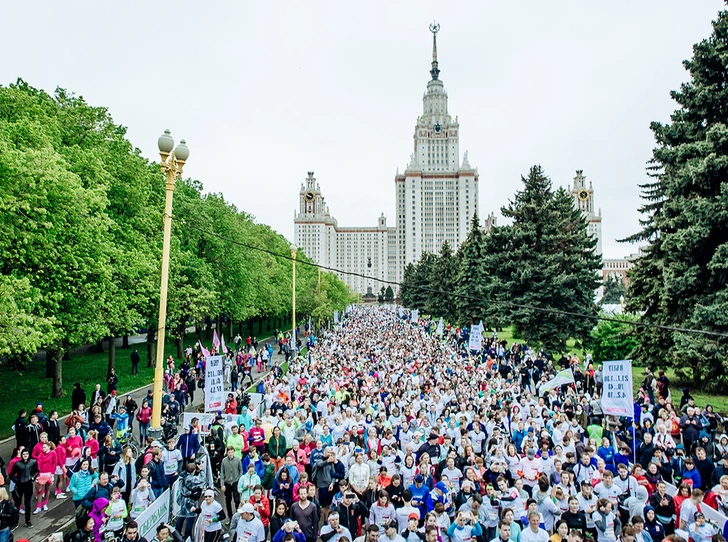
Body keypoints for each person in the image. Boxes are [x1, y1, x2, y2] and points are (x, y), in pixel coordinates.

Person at [10, 448, 37, 528]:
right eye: (24, 454)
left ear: (29, 455)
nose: (25, 456)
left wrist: (33, 477)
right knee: (17, 503)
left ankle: (28, 521)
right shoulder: (17, 464)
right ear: (21, 455)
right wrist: (16, 481)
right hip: (20, 484)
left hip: (28, 484)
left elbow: (36, 470)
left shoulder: (33, 462)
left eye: (27, 454)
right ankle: (15, 522)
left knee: (27, 503)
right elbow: (11, 475)